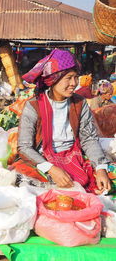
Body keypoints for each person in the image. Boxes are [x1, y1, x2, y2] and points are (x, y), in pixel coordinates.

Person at [13, 49, 111, 195]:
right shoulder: (33, 106)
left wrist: (100, 168)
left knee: (105, 179)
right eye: (69, 78)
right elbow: (24, 147)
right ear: (54, 79)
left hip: (73, 156)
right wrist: (51, 169)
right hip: (43, 159)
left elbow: (89, 139)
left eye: (76, 77)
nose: (74, 83)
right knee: (24, 180)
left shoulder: (80, 103)